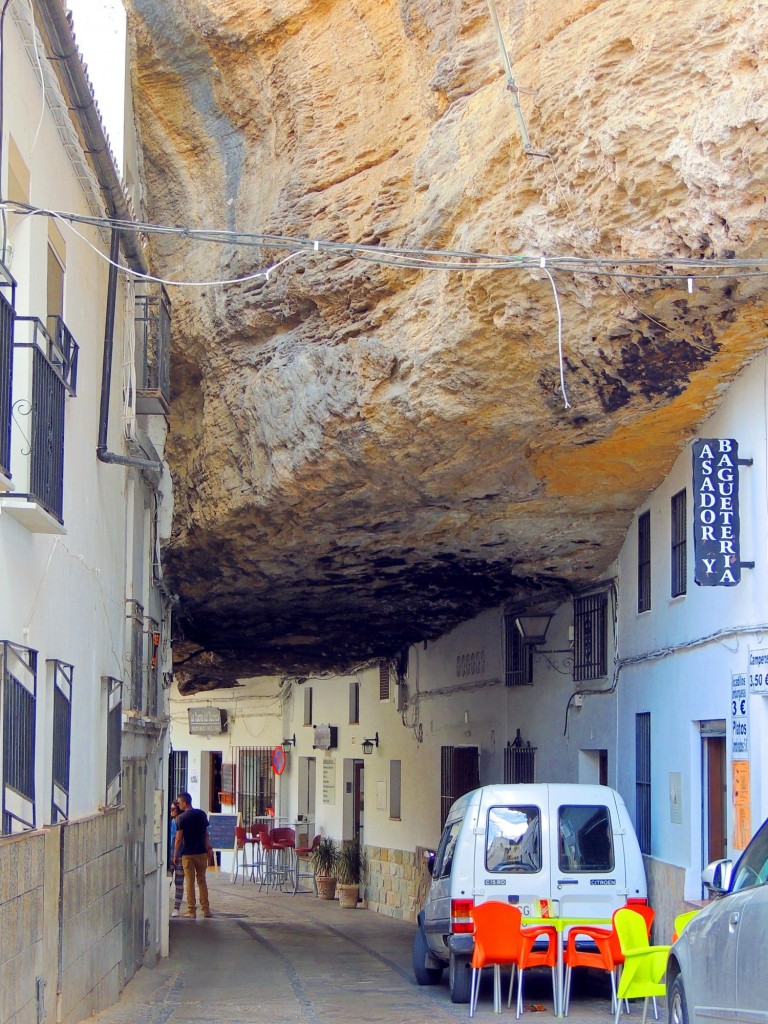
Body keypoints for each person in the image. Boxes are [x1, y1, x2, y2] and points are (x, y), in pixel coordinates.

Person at [174, 792, 214, 918]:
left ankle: (192, 910)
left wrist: (175, 854)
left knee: (190, 882)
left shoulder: (181, 818)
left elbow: (179, 838)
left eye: (179, 803)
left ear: (184, 803)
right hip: (201, 852)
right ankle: (206, 909)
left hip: (188, 854)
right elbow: (206, 834)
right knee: (202, 881)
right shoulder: (201, 814)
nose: (179, 805)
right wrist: (208, 848)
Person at [169, 801, 185, 917]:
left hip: (178, 855)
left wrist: (175, 855)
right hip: (171, 854)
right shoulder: (170, 822)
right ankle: (172, 907)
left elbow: (178, 839)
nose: (171, 811)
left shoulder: (180, 822)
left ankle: (176, 907)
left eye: (173, 809)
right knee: (168, 881)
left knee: (178, 882)